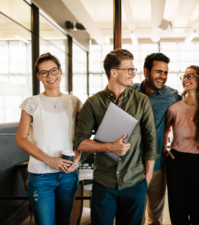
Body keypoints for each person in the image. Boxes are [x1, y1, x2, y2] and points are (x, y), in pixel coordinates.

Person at [73, 48, 158, 225]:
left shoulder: (142, 101)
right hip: (104, 183)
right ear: (113, 72)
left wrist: (147, 179)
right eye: (129, 69)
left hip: (135, 182)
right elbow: (80, 142)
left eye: (133, 69)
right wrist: (109, 147)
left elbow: (151, 142)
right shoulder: (93, 103)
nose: (133, 74)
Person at [16, 53, 82, 225]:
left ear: (60, 72)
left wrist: (77, 157)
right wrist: (49, 160)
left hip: (68, 175)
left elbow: (81, 136)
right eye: (43, 72)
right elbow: (21, 139)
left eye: (54, 70)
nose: (50, 76)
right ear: (38, 76)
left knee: (64, 221)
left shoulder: (74, 102)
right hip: (41, 176)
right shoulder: (31, 103)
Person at [132, 53, 181, 225]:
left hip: (159, 165)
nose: (163, 76)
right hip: (131, 166)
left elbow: (193, 105)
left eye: (166, 73)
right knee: (135, 217)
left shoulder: (172, 96)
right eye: (159, 71)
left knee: (155, 217)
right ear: (146, 71)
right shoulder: (129, 93)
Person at [163, 65, 199, 225]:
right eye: (183, 77)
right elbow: (165, 129)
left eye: (190, 76)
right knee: (178, 208)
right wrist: (165, 148)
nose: (185, 79)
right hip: (177, 161)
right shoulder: (174, 108)